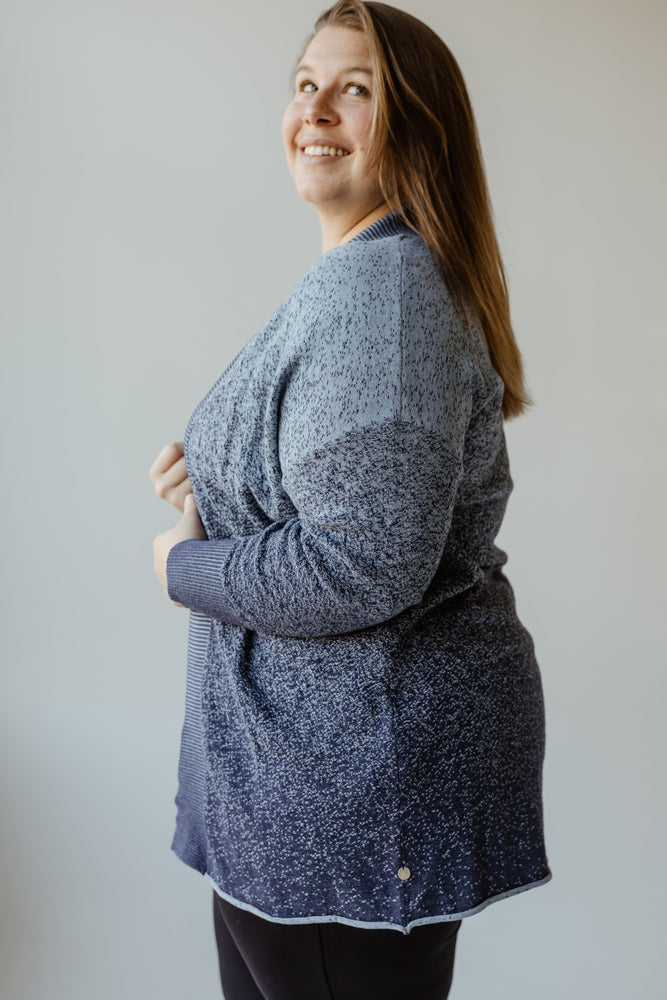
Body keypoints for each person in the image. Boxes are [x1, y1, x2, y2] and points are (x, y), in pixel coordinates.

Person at [150, 1, 552, 997]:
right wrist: (220, 473)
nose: (315, 108)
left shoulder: (382, 293)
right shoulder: (363, 280)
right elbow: (347, 493)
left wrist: (180, 564)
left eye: (356, 89)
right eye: (303, 84)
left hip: (346, 791)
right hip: (314, 786)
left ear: (416, 126)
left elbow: (358, 560)